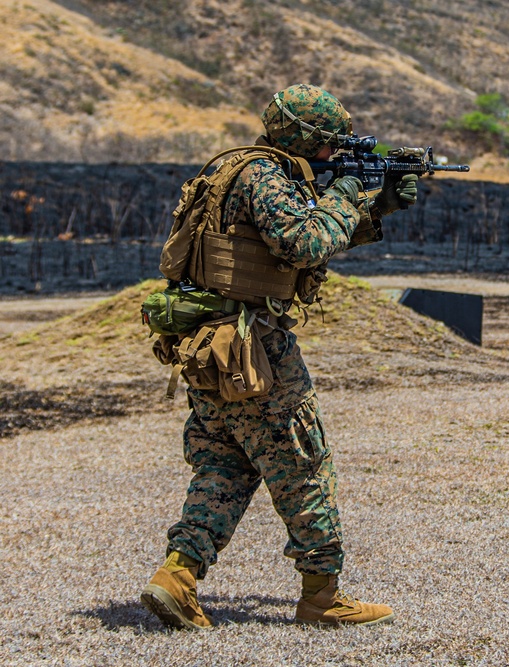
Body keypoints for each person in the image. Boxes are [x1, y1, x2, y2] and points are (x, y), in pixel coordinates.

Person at [140, 83, 418, 630]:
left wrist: (373, 205)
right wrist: (348, 194)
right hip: (254, 347)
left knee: (227, 463)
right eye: (331, 146)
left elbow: (272, 246)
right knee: (302, 462)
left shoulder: (234, 168)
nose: (335, 156)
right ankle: (322, 598)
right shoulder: (266, 176)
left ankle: (177, 577)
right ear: (310, 140)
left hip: (214, 343)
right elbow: (305, 243)